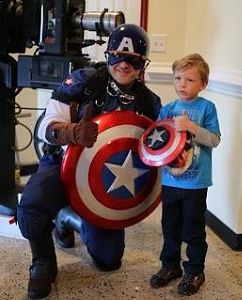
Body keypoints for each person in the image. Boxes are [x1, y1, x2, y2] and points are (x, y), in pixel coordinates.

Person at [16, 23, 161, 300]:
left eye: (132, 59)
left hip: (103, 185)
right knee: (31, 213)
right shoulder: (84, 81)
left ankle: (71, 219)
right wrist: (71, 132)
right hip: (61, 164)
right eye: (118, 55)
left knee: (109, 261)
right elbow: (47, 126)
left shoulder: (149, 102)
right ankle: (43, 262)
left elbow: (156, 148)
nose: (123, 64)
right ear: (108, 55)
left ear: (142, 64)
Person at [149, 53, 221, 296]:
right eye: (178, 78)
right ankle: (170, 266)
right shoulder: (168, 109)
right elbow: (154, 140)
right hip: (170, 180)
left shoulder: (206, 108)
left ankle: (195, 270)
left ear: (203, 84)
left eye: (190, 80)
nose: (182, 84)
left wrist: (192, 128)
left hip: (196, 184)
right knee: (170, 227)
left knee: (193, 229)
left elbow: (214, 140)